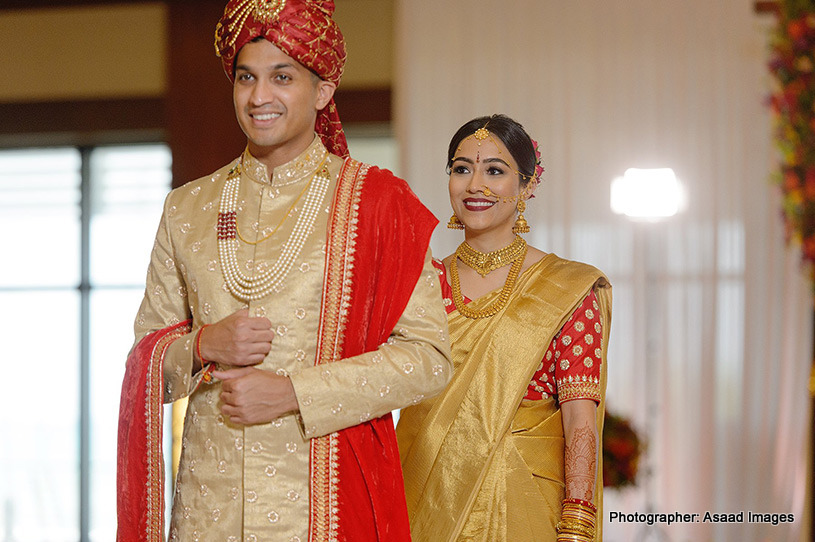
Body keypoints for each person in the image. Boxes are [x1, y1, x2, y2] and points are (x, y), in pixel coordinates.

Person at [116, 2, 452, 541]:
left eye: (282, 77)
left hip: (324, 508)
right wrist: (202, 344)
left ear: (322, 91)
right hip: (208, 512)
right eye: (245, 77)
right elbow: (145, 363)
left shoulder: (379, 203)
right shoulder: (188, 208)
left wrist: (294, 391)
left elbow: (429, 358)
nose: (258, 97)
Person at [396, 114, 611, 542]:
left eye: (495, 170)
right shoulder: (420, 283)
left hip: (527, 505)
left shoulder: (565, 287)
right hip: (423, 501)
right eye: (462, 168)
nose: (475, 184)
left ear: (526, 185)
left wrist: (577, 525)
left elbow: (579, 417)